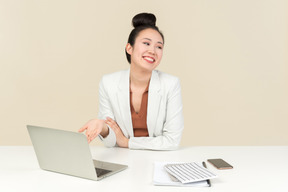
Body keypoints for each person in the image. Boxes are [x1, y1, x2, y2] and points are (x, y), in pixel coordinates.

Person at [79, 13, 184, 150]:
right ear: (129, 48)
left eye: (159, 46)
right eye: (146, 43)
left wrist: (127, 142)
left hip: (158, 158)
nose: (152, 51)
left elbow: (172, 141)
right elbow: (110, 141)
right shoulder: (108, 83)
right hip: (123, 158)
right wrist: (102, 127)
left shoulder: (170, 84)